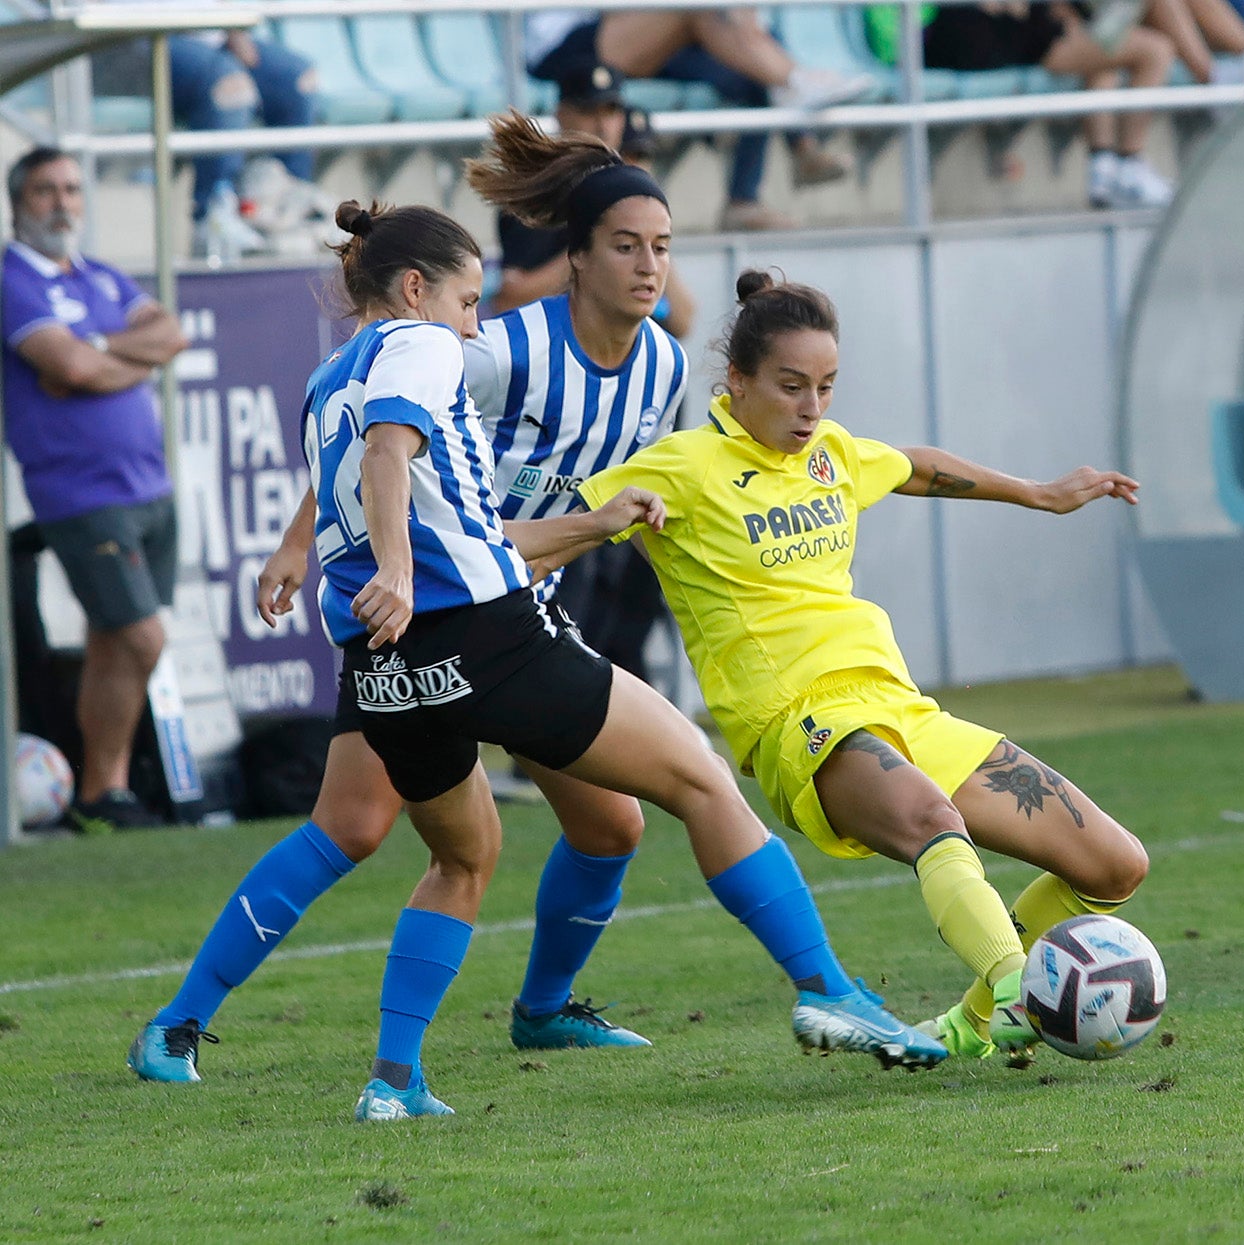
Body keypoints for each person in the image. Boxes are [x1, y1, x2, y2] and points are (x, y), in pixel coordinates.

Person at [127, 166, 947, 1117]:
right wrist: (387, 558)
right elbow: (397, 448)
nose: (649, 266)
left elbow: (408, 474)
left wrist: (322, 546)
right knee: (700, 779)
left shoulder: (341, 380)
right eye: (627, 244)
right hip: (486, 620)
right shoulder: (453, 347)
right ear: (575, 259)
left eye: (662, 245)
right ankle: (829, 989)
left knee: (508, 841)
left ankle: (393, 1064)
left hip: (395, 642)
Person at [578, 270, 1151, 1063]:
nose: (811, 408)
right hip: (799, 721)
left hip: (898, 705)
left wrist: (1036, 493)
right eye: (790, 386)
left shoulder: (831, 454)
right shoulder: (682, 467)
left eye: (825, 387)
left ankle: (974, 1019)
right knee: (932, 824)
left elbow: (911, 465)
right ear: (737, 381)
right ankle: (1022, 990)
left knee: (1116, 865)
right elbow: (567, 526)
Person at [2, 148, 188, 832]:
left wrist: (102, 353)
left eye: (73, 189)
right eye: (47, 190)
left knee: (115, 640)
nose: (63, 202)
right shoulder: (12, 278)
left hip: (147, 483)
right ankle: (97, 785)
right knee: (142, 638)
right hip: (81, 493)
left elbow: (168, 334)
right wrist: (114, 358)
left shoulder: (100, 275)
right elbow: (67, 366)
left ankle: (103, 791)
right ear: (19, 202)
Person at [526, 8, 872, 231]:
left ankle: (744, 199)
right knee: (701, 11)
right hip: (565, 45)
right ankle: (797, 99)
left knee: (748, 44)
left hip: (630, 32)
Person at [90, 0, 323, 256]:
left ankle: (285, 208)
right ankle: (213, 214)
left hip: (209, 32)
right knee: (230, 84)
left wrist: (233, 27)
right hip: (131, 37)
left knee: (299, 79)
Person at [490, 59, 695, 340]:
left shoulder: (633, 199)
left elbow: (683, 323)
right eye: (588, 111)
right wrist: (589, 246)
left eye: (611, 111)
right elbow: (509, 301)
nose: (602, 125)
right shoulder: (541, 191)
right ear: (561, 114)